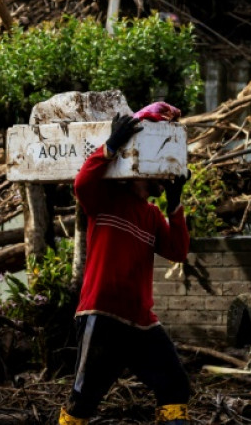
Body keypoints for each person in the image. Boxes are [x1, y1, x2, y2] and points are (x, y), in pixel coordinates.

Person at [59, 113, 192, 425]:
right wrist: (111, 145)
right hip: (101, 315)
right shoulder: (105, 199)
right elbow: (82, 183)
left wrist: (175, 205)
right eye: (159, 173)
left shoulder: (152, 215)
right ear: (138, 171)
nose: (165, 178)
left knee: (175, 386)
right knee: (83, 398)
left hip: (141, 322)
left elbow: (178, 251)